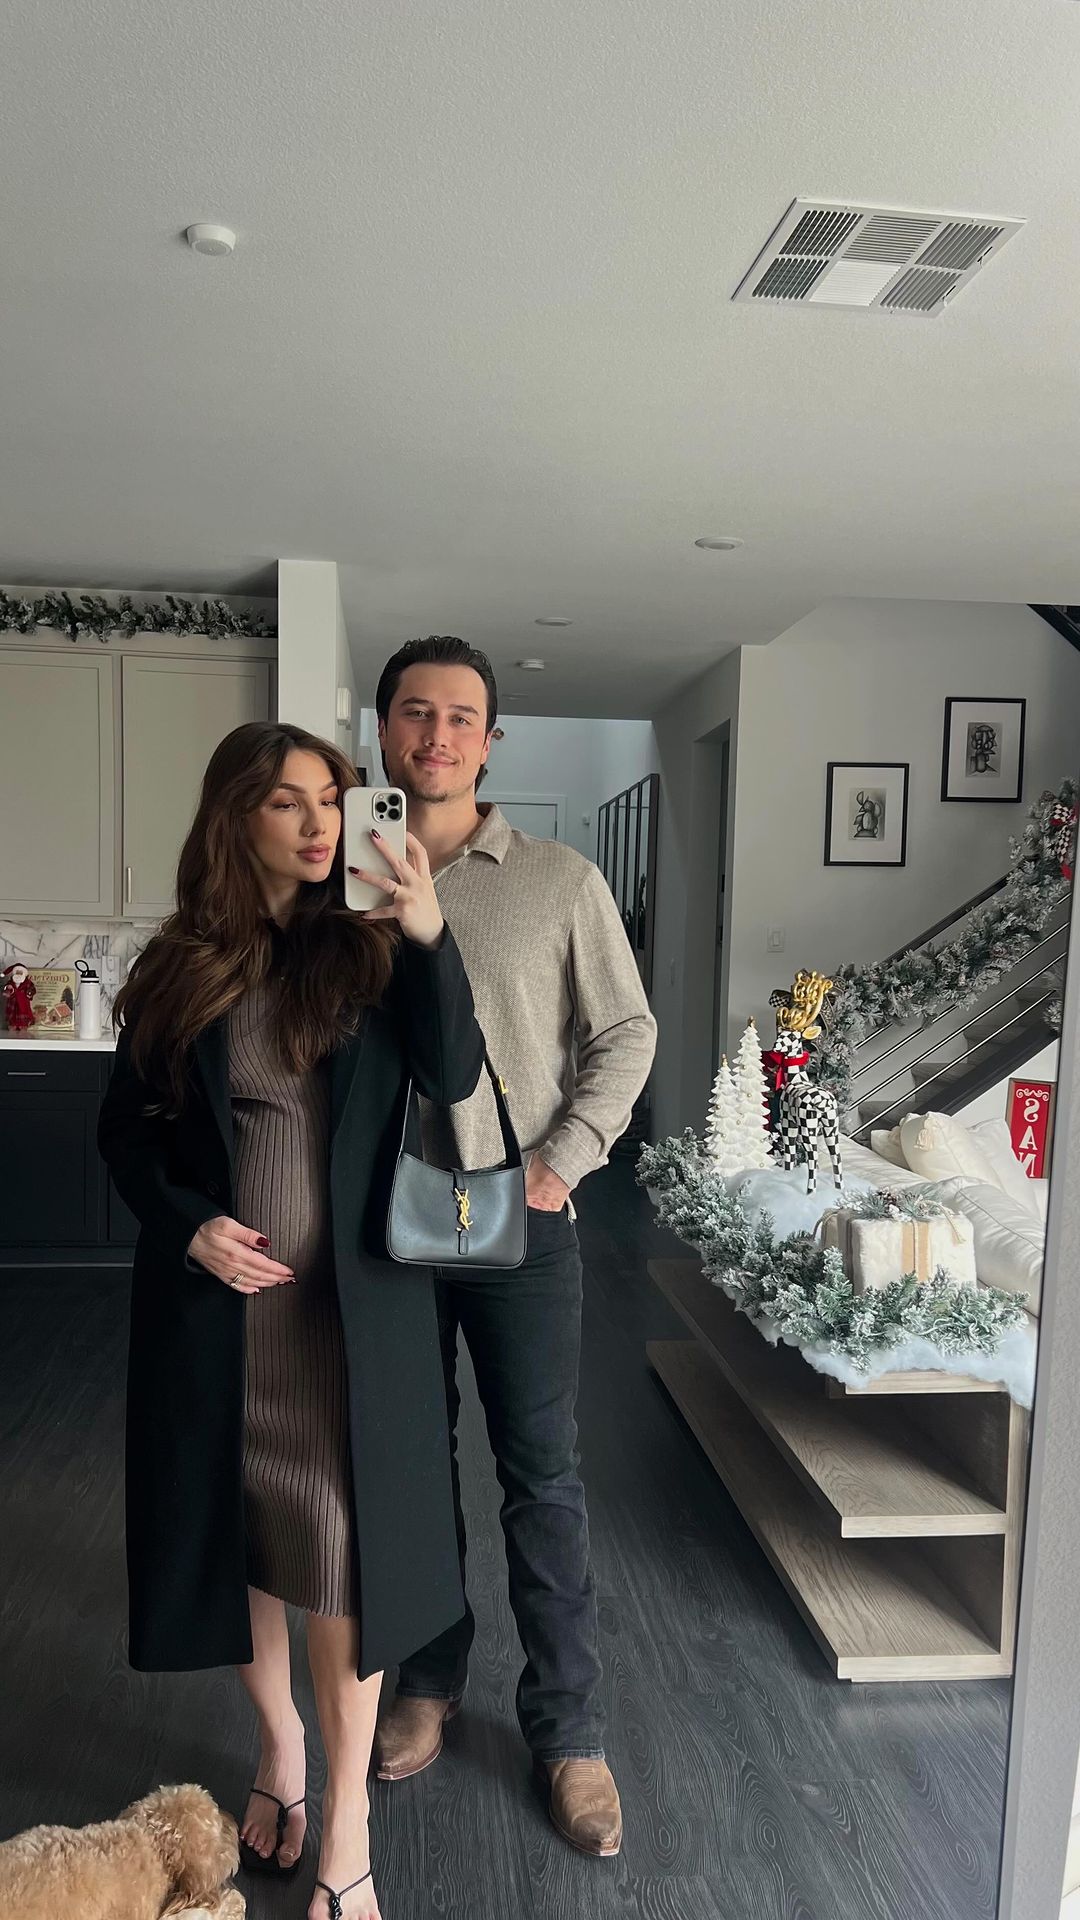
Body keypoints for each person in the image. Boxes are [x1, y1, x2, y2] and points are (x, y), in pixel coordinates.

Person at [97, 720, 486, 1920]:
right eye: (288, 803)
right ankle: (281, 1750)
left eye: (334, 797)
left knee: (341, 1552)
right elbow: (127, 1135)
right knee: (247, 1546)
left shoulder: (372, 949)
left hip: (348, 1320)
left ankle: (347, 1823)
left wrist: (427, 929)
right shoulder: (181, 966)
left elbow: (456, 1073)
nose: (321, 823)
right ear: (235, 820)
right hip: (218, 1321)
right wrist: (187, 1226)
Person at [367, 638, 657, 1857]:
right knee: (410, 1463)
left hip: (519, 1217)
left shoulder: (559, 881)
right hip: (382, 1226)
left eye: (460, 717)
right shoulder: (344, 876)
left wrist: (563, 1160)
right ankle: (429, 1676)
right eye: (415, 712)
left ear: (491, 742)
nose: (436, 734)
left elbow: (627, 1032)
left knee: (542, 1474)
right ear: (384, 729)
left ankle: (569, 1728)